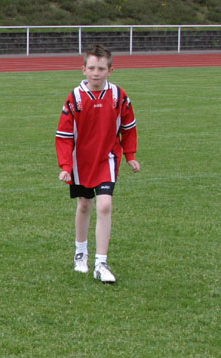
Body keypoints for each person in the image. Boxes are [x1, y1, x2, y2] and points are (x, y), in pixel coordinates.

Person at [55, 43, 141, 283]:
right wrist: (65, 166)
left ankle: (101, 263)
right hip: (81, 161)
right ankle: (80, 253)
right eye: (91, 68)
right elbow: (63, 135)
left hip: (107, 159)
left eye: (101, 68)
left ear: (110, 71)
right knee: (84, 204)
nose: (96, 73)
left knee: (104, 205)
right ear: (83, 69)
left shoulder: (119, 97)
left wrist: (130, 156)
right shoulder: (75, 97)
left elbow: (129, 127)